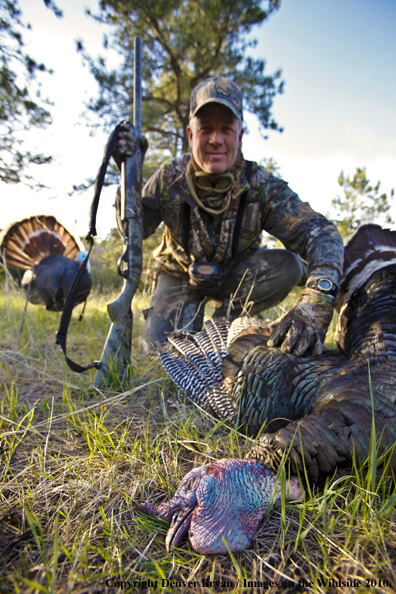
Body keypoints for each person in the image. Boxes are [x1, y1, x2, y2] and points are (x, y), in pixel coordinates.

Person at [113, 76, 344, 356]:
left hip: (237, 278)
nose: (215, 140)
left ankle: (224, 325)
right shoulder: (168, 178)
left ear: (240, 135)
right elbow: (133, 232)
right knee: (160, 354)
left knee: (290, 265)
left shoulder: (261, 185)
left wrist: (317, 300)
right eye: (205, 129)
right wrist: (128, 175)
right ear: (190, 135)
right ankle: (192, 325)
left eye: (226, 129)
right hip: (179, 276)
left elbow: (320, 232)